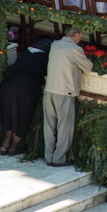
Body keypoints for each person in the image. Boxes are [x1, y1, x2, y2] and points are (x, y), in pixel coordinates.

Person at [43, 28, 93, 166]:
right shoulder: (74, 49)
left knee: (49, 125)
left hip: (49, 90)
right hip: (64, 91)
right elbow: (88, 67)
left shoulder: (55, 45)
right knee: (64, 127)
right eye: (80, 35)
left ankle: (49, 157)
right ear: (76, 35)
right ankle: (59, 159)